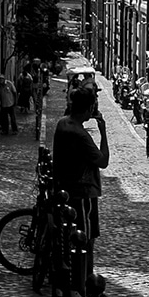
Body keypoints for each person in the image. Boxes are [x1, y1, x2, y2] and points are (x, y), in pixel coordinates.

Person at [51, 78, 109, 243]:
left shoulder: (62, 123)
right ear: (89, 109)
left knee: (69, 235)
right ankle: (85, 269)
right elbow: (103, 161)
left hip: (65, 188)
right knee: (85, 237)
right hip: (82, 193)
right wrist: (103, 132)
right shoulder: (81, 135)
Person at [0, 68, 17, 140]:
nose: (0, 81)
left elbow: (14, 92)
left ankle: (14, 130)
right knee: (4, 118)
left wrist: (15, 101)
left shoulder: (9, 84)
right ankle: (5, 130)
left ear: (4, 79)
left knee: (12, 118)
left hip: (10, 103)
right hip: (4, 104)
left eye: (1, 79)